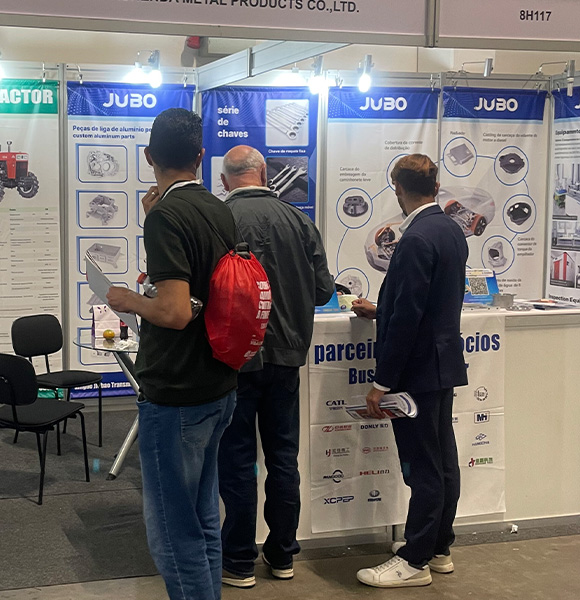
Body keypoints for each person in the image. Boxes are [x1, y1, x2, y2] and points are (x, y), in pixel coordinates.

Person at [105, 108, 238, 600]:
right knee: (202, 520)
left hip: (176, 392)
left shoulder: (166, 215)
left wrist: (127, 300)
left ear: (148, 156)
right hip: (218, 383)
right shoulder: (218, 209)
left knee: (172, 533)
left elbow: (176, 311)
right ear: (201, 156)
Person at [216, 146, 334, 589]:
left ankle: (238, 561)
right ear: (264, 174)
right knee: (283, 458)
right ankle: (282, 554)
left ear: (225, 181)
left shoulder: (219, 221)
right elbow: (323, 292)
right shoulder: (300, 221)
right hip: (287, 359)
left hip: (235, 361)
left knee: (238, 460)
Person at [350, 154, 468, 588]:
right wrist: (381, 310)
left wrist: (381, 382)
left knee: (423, 467)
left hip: (416, 371)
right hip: (441, 364)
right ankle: (437, 546)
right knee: (443, 462)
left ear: (397, 188)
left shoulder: (416, 238)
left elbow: (409, 318)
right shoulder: (450, 230)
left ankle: (414, 560)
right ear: (435, 187)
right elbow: (428, 303)